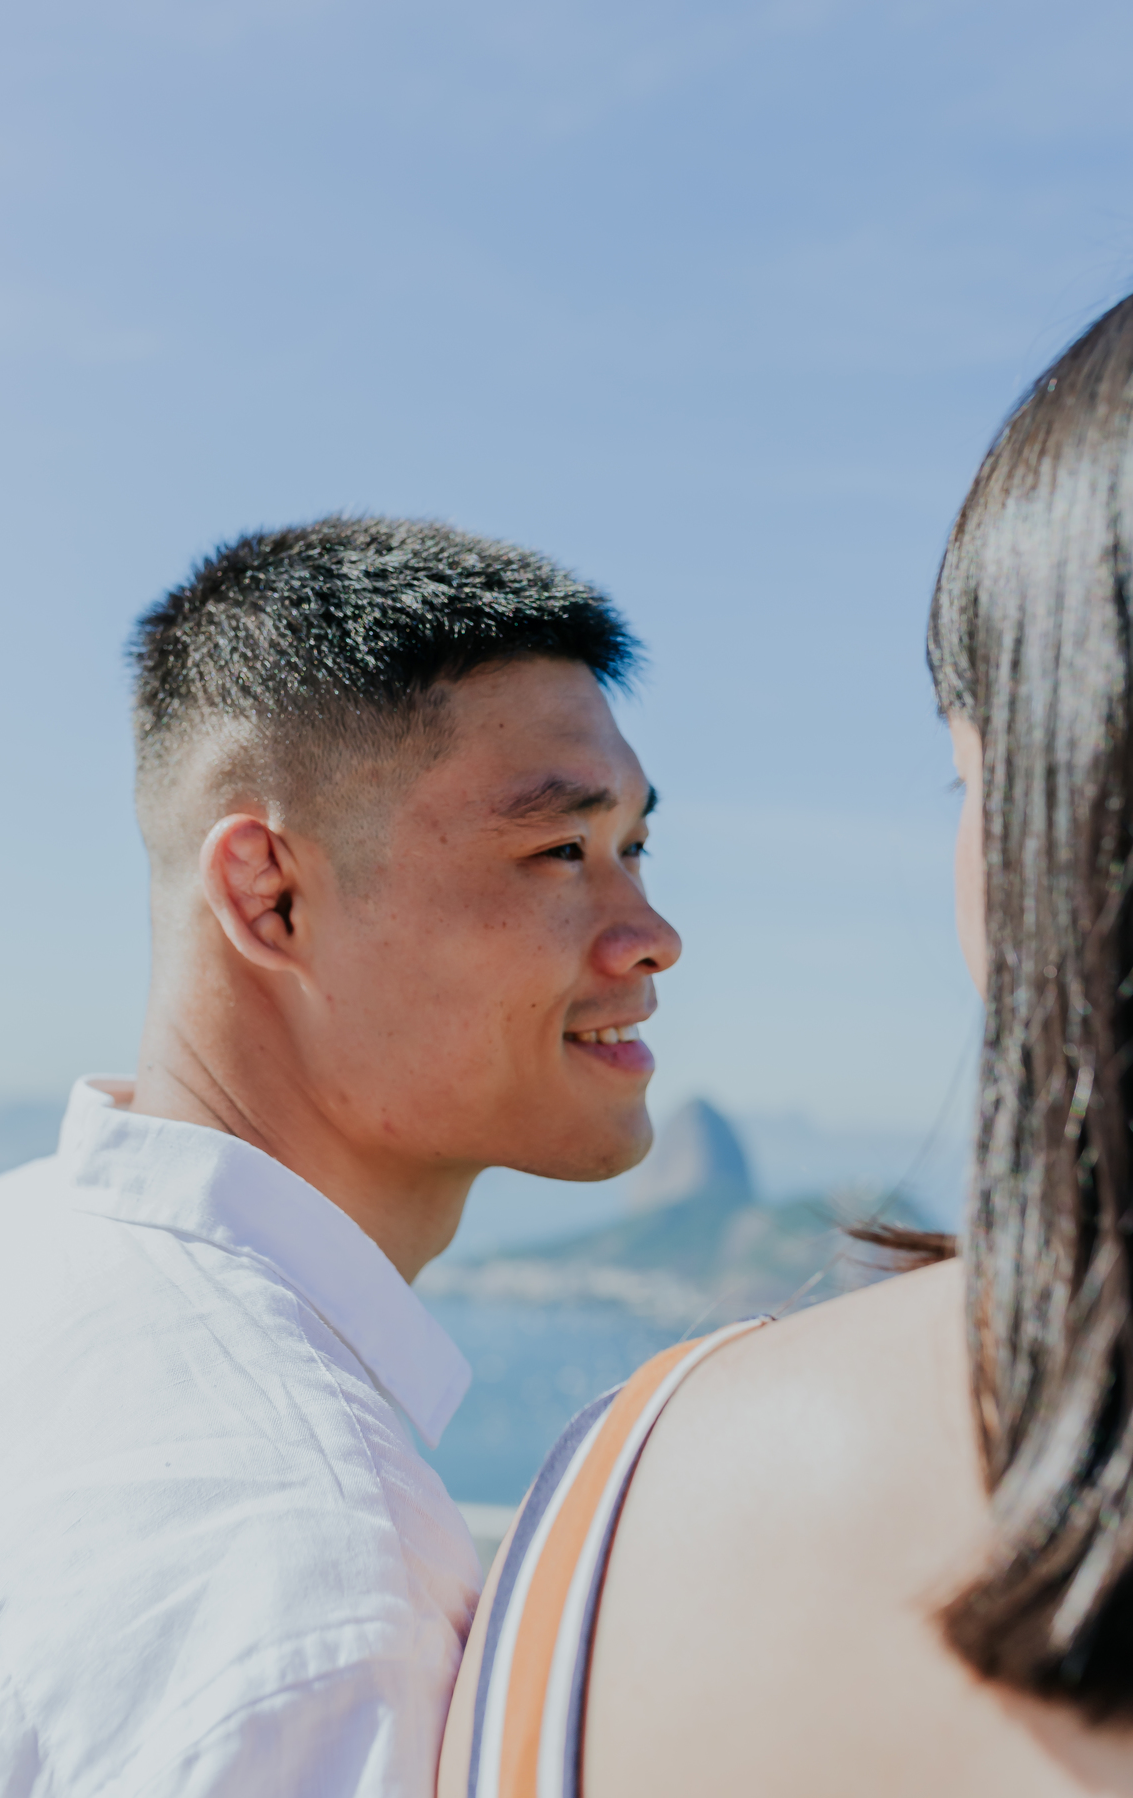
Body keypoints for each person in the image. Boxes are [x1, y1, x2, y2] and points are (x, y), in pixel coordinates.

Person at [439, 297, 1133, 1798]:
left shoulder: (640, 1494)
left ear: (1062, 818)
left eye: (967, 777)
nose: (653, 936)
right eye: (564, 850)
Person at [0, 517, 681, 1797]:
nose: (652, 934)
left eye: (635, 848)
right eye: (561, 849)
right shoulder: (322, 1610)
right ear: (270, 895)